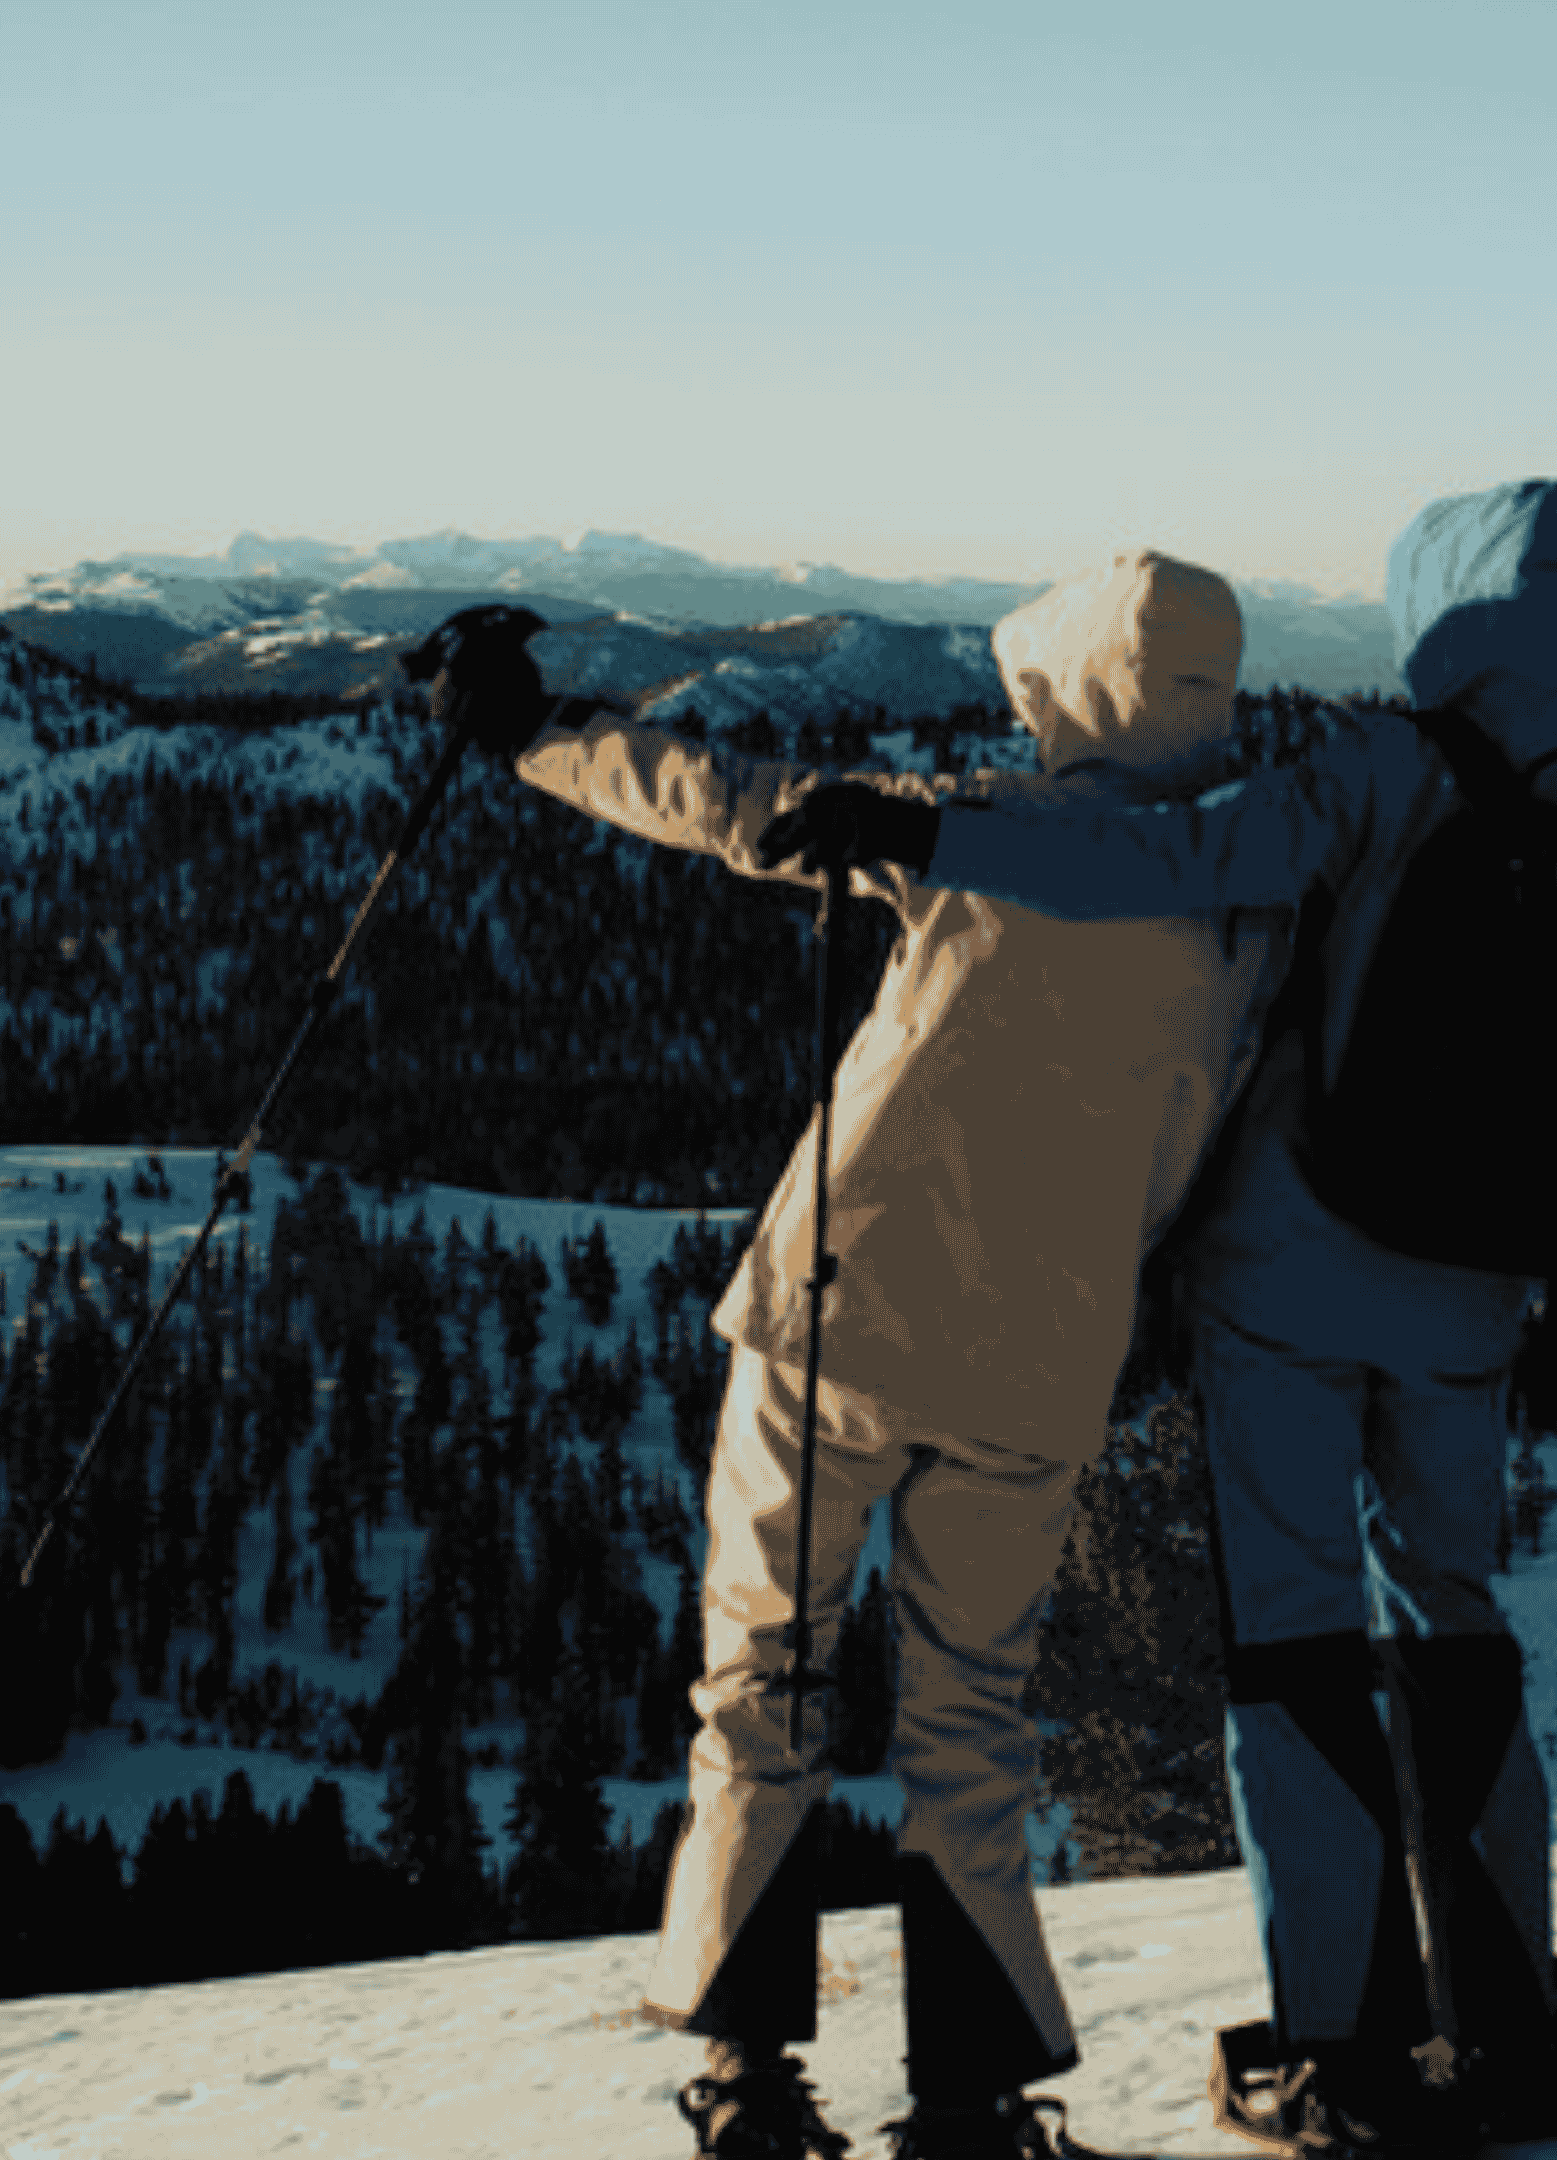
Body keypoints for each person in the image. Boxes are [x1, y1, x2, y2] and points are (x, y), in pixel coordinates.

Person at [759, 478, 1557, 2158]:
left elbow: (1157, 856)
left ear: (1450, 608)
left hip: (1286, 1274)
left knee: (1292, 1645)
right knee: (1454, 1621)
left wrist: (928, 833)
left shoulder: (1369, 772)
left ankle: (1339, 2047)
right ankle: (1500, 2031)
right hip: (1472, 1296)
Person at [426, 553, 1287, 2160]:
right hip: (1044, 1354)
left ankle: (748, 2078)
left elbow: (738, 801)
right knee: (975, 1725)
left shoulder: (979, 827)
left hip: (843, 1306)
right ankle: (969, 2100)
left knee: (767, 1676)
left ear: (1076, 682)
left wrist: (532, 734)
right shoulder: (1246, 899)